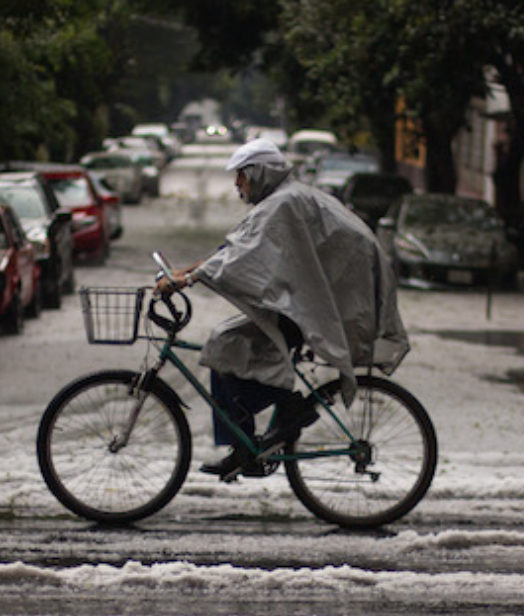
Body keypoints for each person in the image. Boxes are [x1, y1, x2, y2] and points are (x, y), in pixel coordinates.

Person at [154, 139, 409, 478]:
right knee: (228, 346)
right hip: (313, 300)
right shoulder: (283, 199)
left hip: (317, 304)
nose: (236, 184)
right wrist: (188, 271)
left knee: (224, 343)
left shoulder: (283, 204)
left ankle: (285, 414)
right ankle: (246, 445)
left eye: (241, 176)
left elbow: (241, 257)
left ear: (259, 173)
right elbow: (235, 248)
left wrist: (187, 280)